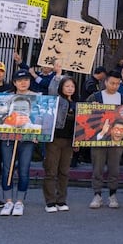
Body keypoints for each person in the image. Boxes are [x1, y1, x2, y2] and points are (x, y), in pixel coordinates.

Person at [0, 69, 39, 217]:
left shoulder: (37, 98)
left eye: (26, 80)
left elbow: (40, 119)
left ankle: (20, 202)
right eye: (20, 80)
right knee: (7, 169)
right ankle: (8, 201)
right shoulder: (6, 97)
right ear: (14, 82)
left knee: (24, 170)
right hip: (8, 138)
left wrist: (37, 135)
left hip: (27, 139)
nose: (23, 83)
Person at [87, 70, 123, 209]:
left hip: (116, 140)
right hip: (99, 138)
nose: (114, 86)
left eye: (117, 83)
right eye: (112, 83)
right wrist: (92, 109)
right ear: (105, 82)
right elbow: (84, 116)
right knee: (97, 167)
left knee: (114, 168)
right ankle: (97, 195)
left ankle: (112, 195)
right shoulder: (95, 97)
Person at [43, 76, 77, 212]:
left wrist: (77, 141)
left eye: (72, 86)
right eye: (67, 86)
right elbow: (51, 89)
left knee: (64, 172)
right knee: (51, 171)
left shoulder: (76, 104)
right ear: (61, 87)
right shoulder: (57, 100)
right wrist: (57, 75)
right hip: (54, 140)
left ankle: (61, 200)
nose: (70, 89)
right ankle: (50, 201)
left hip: (69, 141)